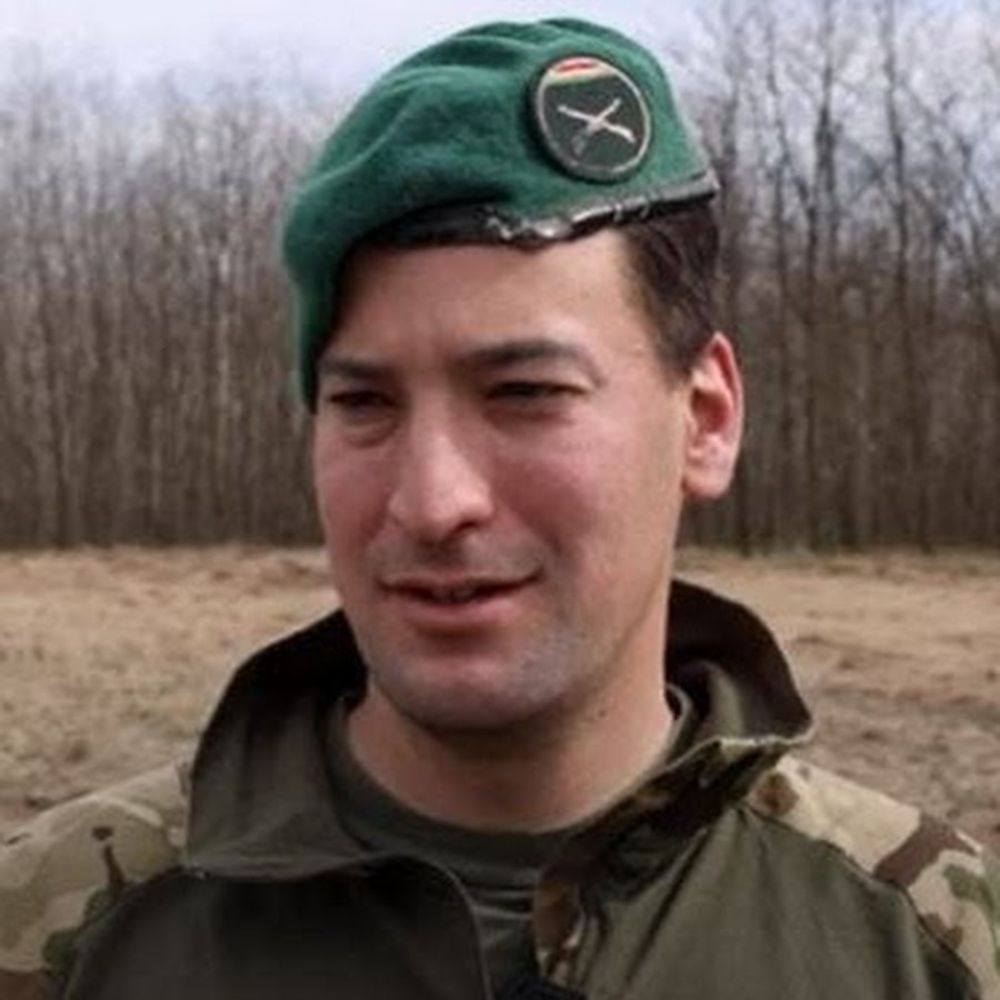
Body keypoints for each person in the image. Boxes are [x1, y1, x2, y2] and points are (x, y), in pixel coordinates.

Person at [1, 18, 997, 1000]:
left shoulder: (930, 941)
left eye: (525, 393)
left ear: (704, 420)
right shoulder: (58, 929)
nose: (433, 502)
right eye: (365, 403)